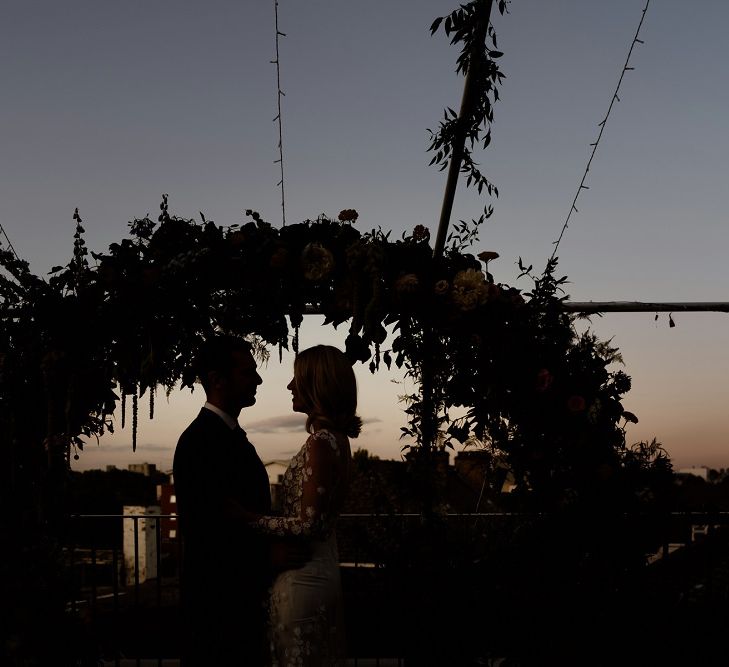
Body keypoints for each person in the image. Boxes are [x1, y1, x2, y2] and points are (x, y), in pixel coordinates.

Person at [173, 336, 306, 665]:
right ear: (218, 380)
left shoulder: (226, 435)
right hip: (218, 612)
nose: (259, 380)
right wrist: (267, 558)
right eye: (249, 373)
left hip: (236, 606)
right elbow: (206, 532)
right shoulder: (199, 442)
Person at [232, 344, 360, 666]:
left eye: (296, 378)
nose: (289, 386)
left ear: (316, 384)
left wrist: (247, 518)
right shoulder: (337, 441)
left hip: (304, 577)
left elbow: (307, 524)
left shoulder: (320, 442)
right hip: (320, 571)